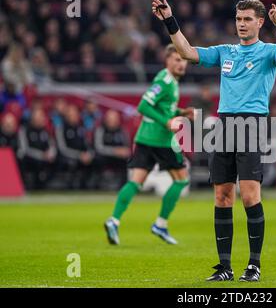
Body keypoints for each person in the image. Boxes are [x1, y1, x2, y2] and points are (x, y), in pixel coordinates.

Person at [152, 0, 276, 281]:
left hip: (252, 125)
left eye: (247, 19)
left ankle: (254, 266)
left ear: (260, 22)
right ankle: (225, 268)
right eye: (238, 19)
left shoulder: (268, 51)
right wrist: (169, 20)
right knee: (222, 196)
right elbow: (186, 51)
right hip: (224, 125)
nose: (241, 24)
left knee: (250, 195)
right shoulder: (225, 51)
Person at [104, 44, 195, 246]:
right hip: (161, 140)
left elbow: (163, 107)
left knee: (136, 182)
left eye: (183, 61)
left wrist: (181, 112)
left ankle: (114, 220)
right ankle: (160, 224)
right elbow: (143, 106)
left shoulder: (169, 79)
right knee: (181, 180)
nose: (181, 64)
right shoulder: (164, 81)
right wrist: (168, 122)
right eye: (177, 60)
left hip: (144, 138)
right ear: (167, 61)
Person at [55, 104, 95, 189]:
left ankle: (89, 184)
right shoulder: (61, 129)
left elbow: (88, 145)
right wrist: (79, 155)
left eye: (75, 114)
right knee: (70, 162)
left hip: (82, 156)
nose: (73, 116)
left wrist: (89, 154)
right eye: (71, 114)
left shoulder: (81, 129)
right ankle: (70, 185)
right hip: (68, 156)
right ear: (66, 115)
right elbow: (63, 149)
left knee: (96, 159)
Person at [17, 107, 57, 189]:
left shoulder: (45, 131)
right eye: (39, 117)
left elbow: (52, 145)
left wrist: (51, 154)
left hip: (44, 158)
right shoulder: (24, 130)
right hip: (29, 158)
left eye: (42, 116)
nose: (42, 119)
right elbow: (24, 149)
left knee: (58, 160)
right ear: (32, 118)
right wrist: (41, 155)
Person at [94, 109, 131, 187]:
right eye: (110, 119)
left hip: (119, 158)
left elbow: (127, 146)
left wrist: (125, 151)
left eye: (115, 119)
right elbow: (99, 148)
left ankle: (126, 184)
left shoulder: (122, 131)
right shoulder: (101, 130)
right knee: (97, 160)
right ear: (106, 119)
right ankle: (98, 184)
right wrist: (115, 151)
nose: (112, 121)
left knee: (129, 160)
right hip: (104, 156)